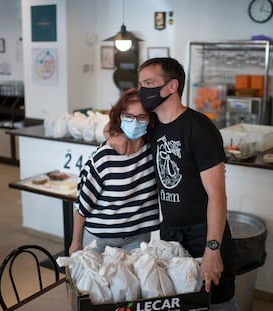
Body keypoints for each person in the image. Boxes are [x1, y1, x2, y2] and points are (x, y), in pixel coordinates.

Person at [108, 58, 240, 311]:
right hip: (170, 236)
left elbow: (218, 196)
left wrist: (213, 248)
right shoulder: (152, 126)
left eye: (149, 83)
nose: (143, 90)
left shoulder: (200, 128)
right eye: (141, 84)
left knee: (219, 303)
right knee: (179, 304)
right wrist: (113, 135)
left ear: (171, 86)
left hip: (205, 235)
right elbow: (115, 122)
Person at [69, 88, 160, 255]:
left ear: (150, 119)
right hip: (99, 238)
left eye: (142, 117)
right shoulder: (105, 156)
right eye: (128, 116)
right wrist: (75, 242)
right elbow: (82, 204)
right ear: (120, 117)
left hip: (138, 237)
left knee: (134, 282)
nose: (135, 122)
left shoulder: (153, 151)